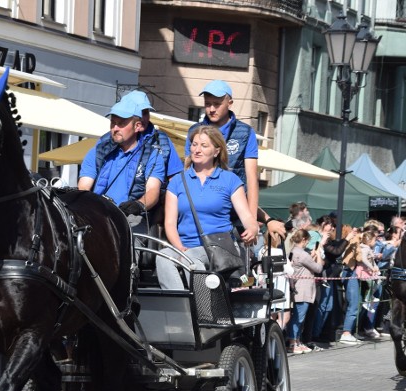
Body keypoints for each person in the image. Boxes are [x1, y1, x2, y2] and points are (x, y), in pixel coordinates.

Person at [156, 125, 257, 290]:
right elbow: (170, 223)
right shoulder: (177, 181)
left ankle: (204, 310)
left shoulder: (229, 180)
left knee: (191, 260)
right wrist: (179, 247)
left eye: (204, 145)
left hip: (219, 246)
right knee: (162, 257)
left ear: (216, 151)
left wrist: (252, 228)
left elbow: (246, 216)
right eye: (194, 145)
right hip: (184, 245)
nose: (196, 150)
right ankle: (182, 307)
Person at [186, 80, 285, 240]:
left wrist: (251, 221)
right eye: (207, 104)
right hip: (202, 212)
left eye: (217, 104)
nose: (211, 109)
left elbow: (252, 179)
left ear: (229, 103)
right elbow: (188, 171)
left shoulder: (245, 133)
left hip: (236, 212)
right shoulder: (194, 131)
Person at [78, 98, 166, 237]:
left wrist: (138, 205)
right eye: (113, 122)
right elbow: (83, 188)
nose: (115, 128)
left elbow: (153, 192)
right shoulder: (97, 151)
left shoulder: (153, 155)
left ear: (137, 126)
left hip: (133, 219)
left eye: (121, 123)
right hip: (96, 215)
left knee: (128, 247)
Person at [286, 229, 324, 354]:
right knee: (298, 318)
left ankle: (296, 342)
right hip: (303, 290)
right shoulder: (302, 254)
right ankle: (293, 343)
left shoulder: (293, 251)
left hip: (297, 288)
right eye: (308, 240)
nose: (308, 243)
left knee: (297, 317)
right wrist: (318, 255)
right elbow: (318, 268)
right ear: (304, 240)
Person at [336, 225, 363, 346]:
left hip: (347, 271)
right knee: (354, 303)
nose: (356, 232)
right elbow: (359, 257)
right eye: (354, 230)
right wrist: (358, 244)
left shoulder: (346, 241)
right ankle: (346, 333)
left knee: (354, 302)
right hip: (349, 271)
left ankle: (347, 331)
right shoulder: (353, 241)